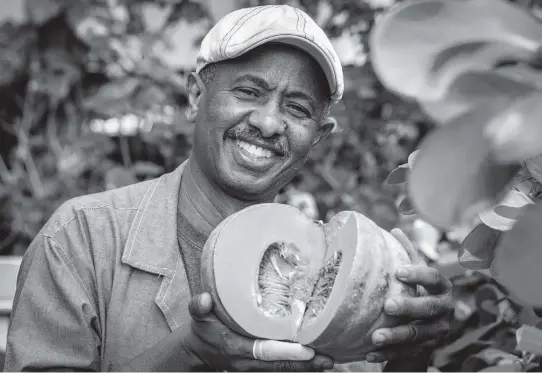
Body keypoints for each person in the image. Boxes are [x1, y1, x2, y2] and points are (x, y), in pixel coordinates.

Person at [4, 4, 454, 372]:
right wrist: (190, 352)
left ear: (319, 134)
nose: (268, 122)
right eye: (249, 92)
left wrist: (409, 357)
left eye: (297, 109)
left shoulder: (351, 269)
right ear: (196, 96)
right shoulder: (80, 238)